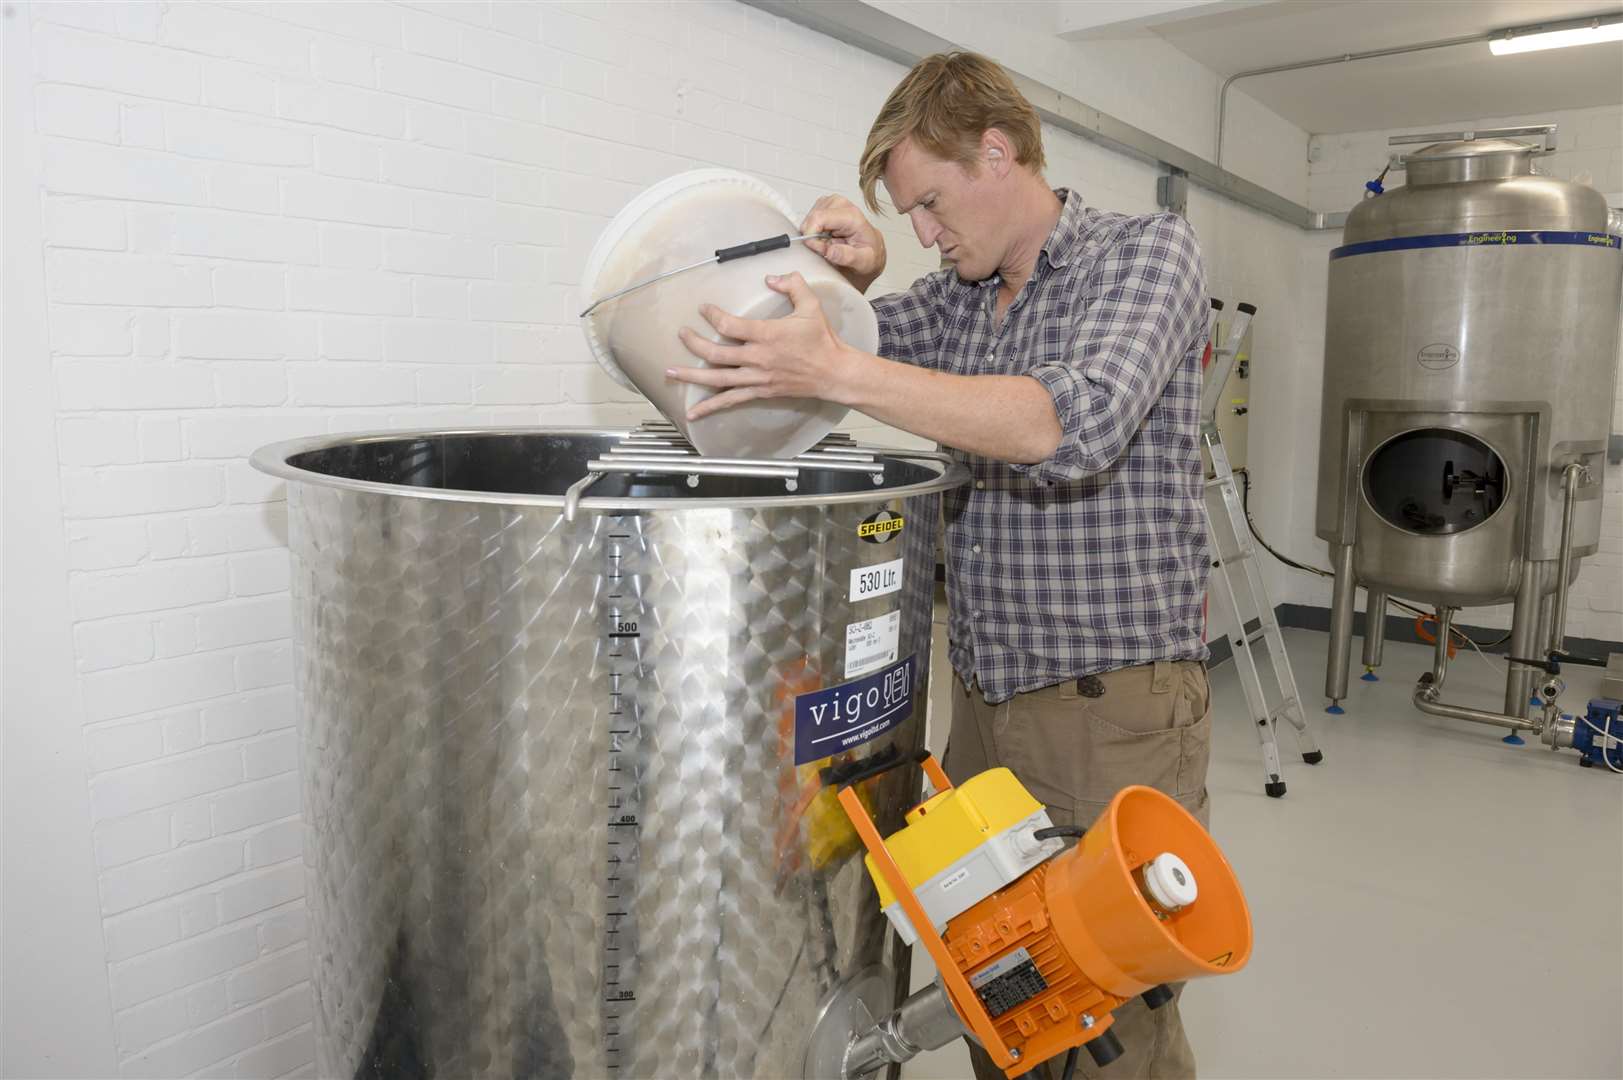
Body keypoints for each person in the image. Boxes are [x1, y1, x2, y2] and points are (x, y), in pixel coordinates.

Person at [671, 51, 1212, 1079]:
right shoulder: (958, 300)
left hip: (1114, 715)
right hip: (986, 711)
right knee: (998, 996)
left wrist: (843, 363)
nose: (922, 232)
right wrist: (842, 283)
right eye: (907, 217)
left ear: (997, 154)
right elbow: (854, 350)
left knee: (1103, 1012)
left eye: (927, 202)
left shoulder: (1145, 255)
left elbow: (1072, 424)